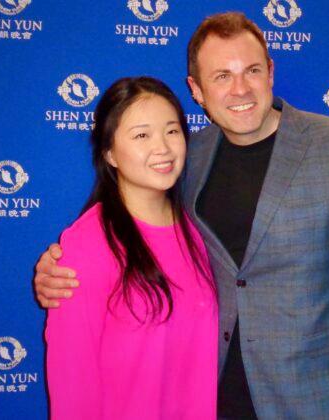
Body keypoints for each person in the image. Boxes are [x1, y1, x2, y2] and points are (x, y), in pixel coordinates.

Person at [36, 12, 329, 420]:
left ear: (270, 72)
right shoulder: (186, 158)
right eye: (221, 76)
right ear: (197, 90)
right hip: (214, 401)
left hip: (319, 402)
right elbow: (133, 234)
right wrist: (59, 270)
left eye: (251, 70)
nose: (240, 89)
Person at [44, 77, 217, 420]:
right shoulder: (87, 245)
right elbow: (72, 383)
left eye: (171, 131)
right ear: (109, 152)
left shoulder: (195, 228)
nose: (163, 148)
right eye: (141, 135)